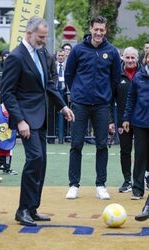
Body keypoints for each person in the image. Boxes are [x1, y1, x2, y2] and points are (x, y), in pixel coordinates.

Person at [1, 16, 75, 227]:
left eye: (45, 37)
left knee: (41, 162)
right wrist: (20, 120)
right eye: (41, 37)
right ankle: (22, 209)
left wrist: (63, 106)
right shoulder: (16, 57)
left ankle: (32, 208)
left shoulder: (41, 53)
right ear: (29, 33)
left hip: (41, 118)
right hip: (26, 119)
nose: (44, 41)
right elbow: (7, 93)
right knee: (34, 159)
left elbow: (48, 86)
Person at [65, 16, 121, 200]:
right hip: (80, 105)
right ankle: (73, 185)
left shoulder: (112, 51)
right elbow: (69, 74)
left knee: (102, 145)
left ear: (105, 31)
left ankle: (100, 185)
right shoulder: (78, 50)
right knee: (76, 144)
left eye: (102, 30)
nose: (98, 33)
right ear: (90, 28)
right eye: (96, 29)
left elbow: (115, 79)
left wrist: (106, 97)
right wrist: (77, 94)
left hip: (102, 106)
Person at [109, 47, 141, 193]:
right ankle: (127, 180)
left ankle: (142, 179)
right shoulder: (117, 75)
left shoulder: (143, 74)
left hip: (142, 119)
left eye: (132, 58)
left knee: (143, 151)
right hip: (123, 121)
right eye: (127, 57)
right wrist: (111, 120)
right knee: (125, 150)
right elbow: (110, 99)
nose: (130, 60)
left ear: (137, 59)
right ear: (122, 58)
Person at [122, 51, 149, 200]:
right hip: (140, 123)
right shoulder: (138, 77)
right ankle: (137, 190)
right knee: (140, 156)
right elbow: (131, 99)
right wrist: (126, 118)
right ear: (145, 59)